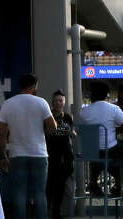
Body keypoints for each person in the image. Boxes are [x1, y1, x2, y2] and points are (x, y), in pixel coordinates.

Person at [0, 73, 56, 219]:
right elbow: (53, 127)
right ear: (33, 86)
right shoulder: (41, 102)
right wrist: (43, 131)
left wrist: (3, 155)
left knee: (19, 193)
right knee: (39, 193)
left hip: (17, 154)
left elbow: (1, 133)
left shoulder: (8, 104)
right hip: (39, 153)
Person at [77, 82, 123, 196]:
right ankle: (119, 183)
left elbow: (79, 130)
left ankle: (93, 182)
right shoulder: (113, 108)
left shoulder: (84, 111)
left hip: (91, 153)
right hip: (110, 151)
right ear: (106, 95)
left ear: (92, 95)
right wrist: (116, 131)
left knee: (97, 155)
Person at [45, 91, 75, 219]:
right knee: (50, 186)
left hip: (65, 157)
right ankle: (48, 212)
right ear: (52, 102)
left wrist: (72, 133)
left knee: (61, 188)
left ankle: (57, 212)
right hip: (51, 155)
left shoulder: (67, 117)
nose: (58, 103)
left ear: (64, 102)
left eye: (60, 101)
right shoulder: (47, 116)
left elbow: (71, 132)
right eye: (56, 100)